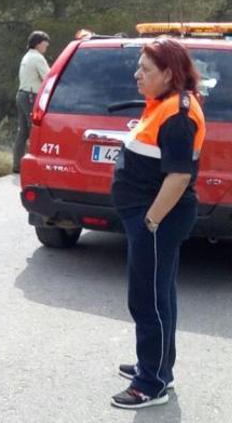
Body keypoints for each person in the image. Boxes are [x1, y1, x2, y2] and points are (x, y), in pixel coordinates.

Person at [110, 38, 205, 409]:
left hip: (158, 219)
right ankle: (157, 365)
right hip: (151, 217)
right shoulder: (164, 105)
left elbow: (178, 177)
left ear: (168, 73)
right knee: (159, 294)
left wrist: (149, 221)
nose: (137, 75)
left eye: (145, 70)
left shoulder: (179, 116)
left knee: (147, 299)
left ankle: (151, 384)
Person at [13, 30, 50, 173]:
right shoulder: (37, 58)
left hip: (21, 94)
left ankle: (17, 165)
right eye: (45, 45)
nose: (46, 48)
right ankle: (33, 165)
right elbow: (48, 77)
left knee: (22, 131)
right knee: (35, 130)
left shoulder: (27, 56)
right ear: (39, 44)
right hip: (31, 96)